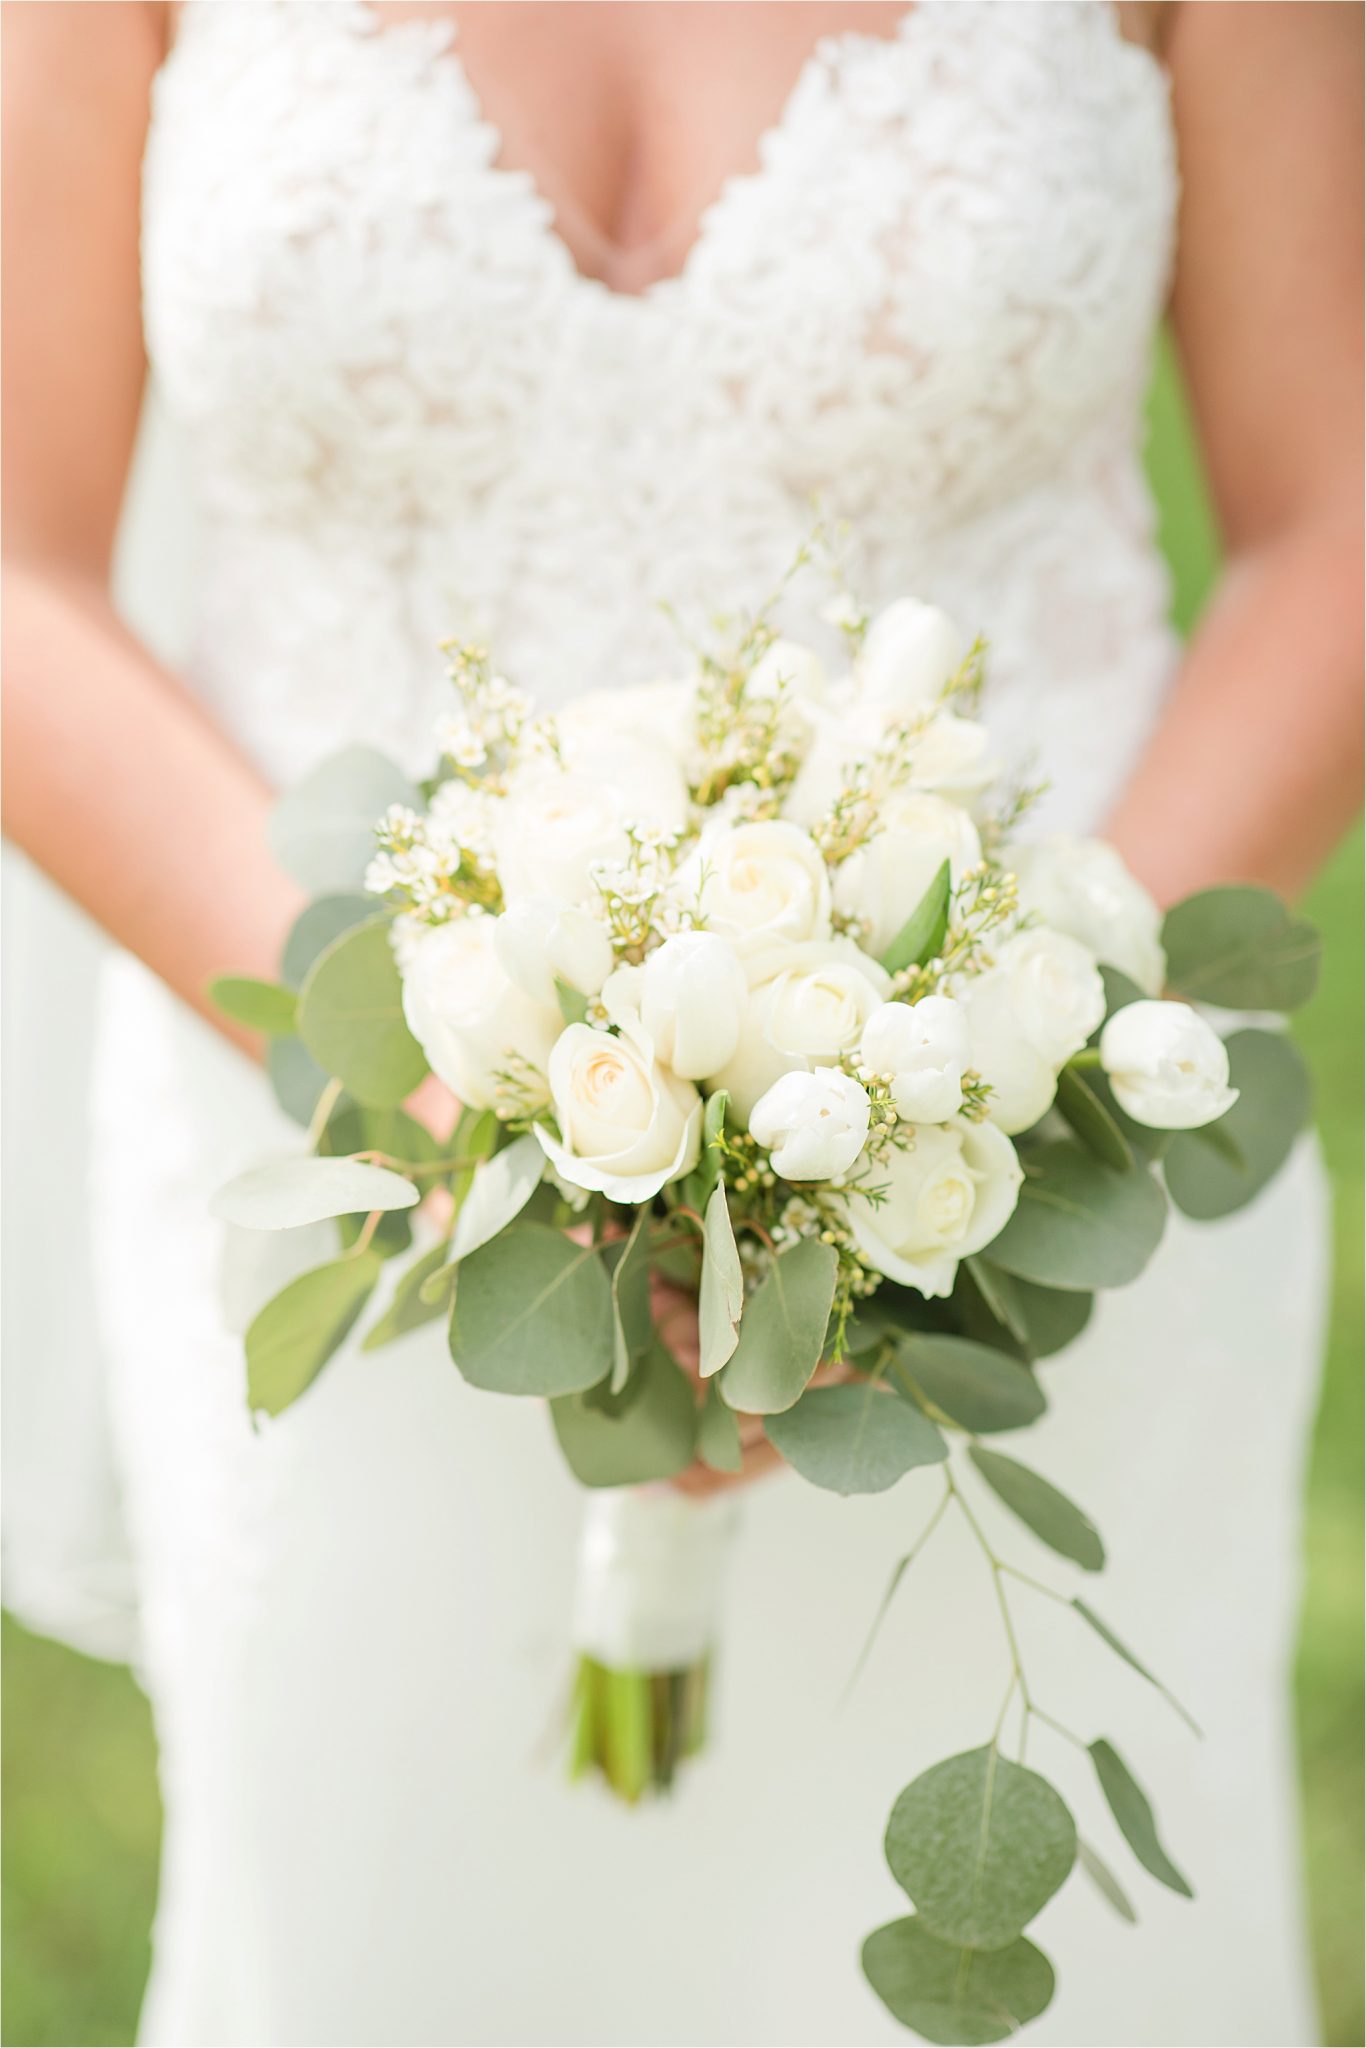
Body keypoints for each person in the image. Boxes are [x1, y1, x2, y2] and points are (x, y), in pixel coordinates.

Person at [3, 4, 1361, 2042]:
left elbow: (1330, 518)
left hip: (1024, 1207)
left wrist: (989, 1081)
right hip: (354, 1212)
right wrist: (463, 1111)